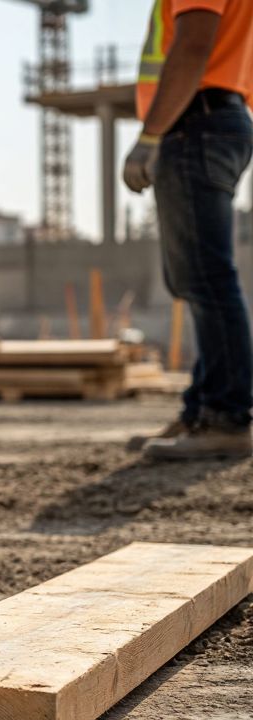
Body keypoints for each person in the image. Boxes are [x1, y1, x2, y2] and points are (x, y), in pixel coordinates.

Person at [124, 0, 253, 461]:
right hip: (213, 118)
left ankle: (226, 416)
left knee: (207, 278)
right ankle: (203, 409)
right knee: (197, 279)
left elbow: (194, 44)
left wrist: (150, 136)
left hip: (196, 122)